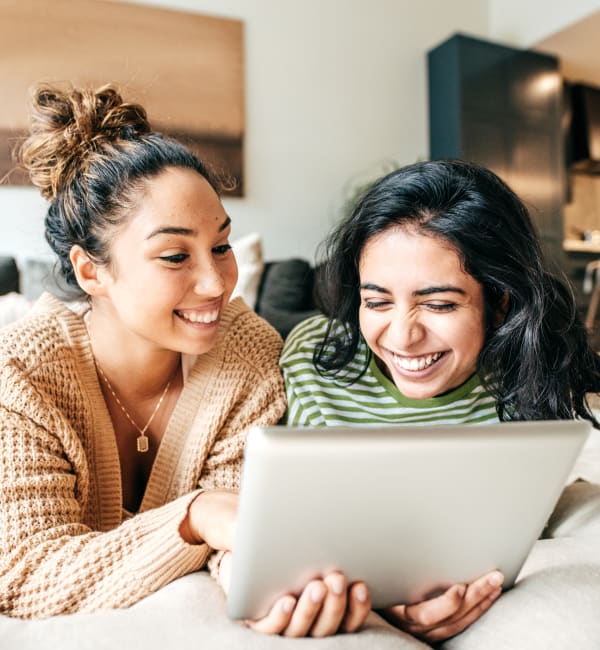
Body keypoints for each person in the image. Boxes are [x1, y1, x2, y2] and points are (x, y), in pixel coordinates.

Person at [0, 84, 373, 637]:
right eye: (175, 255)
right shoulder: (21, 372)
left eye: (221, 246)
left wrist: (268, 583)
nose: (216, 282)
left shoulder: (250, 355)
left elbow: (241, 529)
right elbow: (26, 574)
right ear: (90, 272)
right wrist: (194, 515)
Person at [280, 159, 600, 643]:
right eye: (377, 301)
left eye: (439, 304)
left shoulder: (526, 373)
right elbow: (298, 518)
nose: (403, 337)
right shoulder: (314, 358)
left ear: (500, 303)